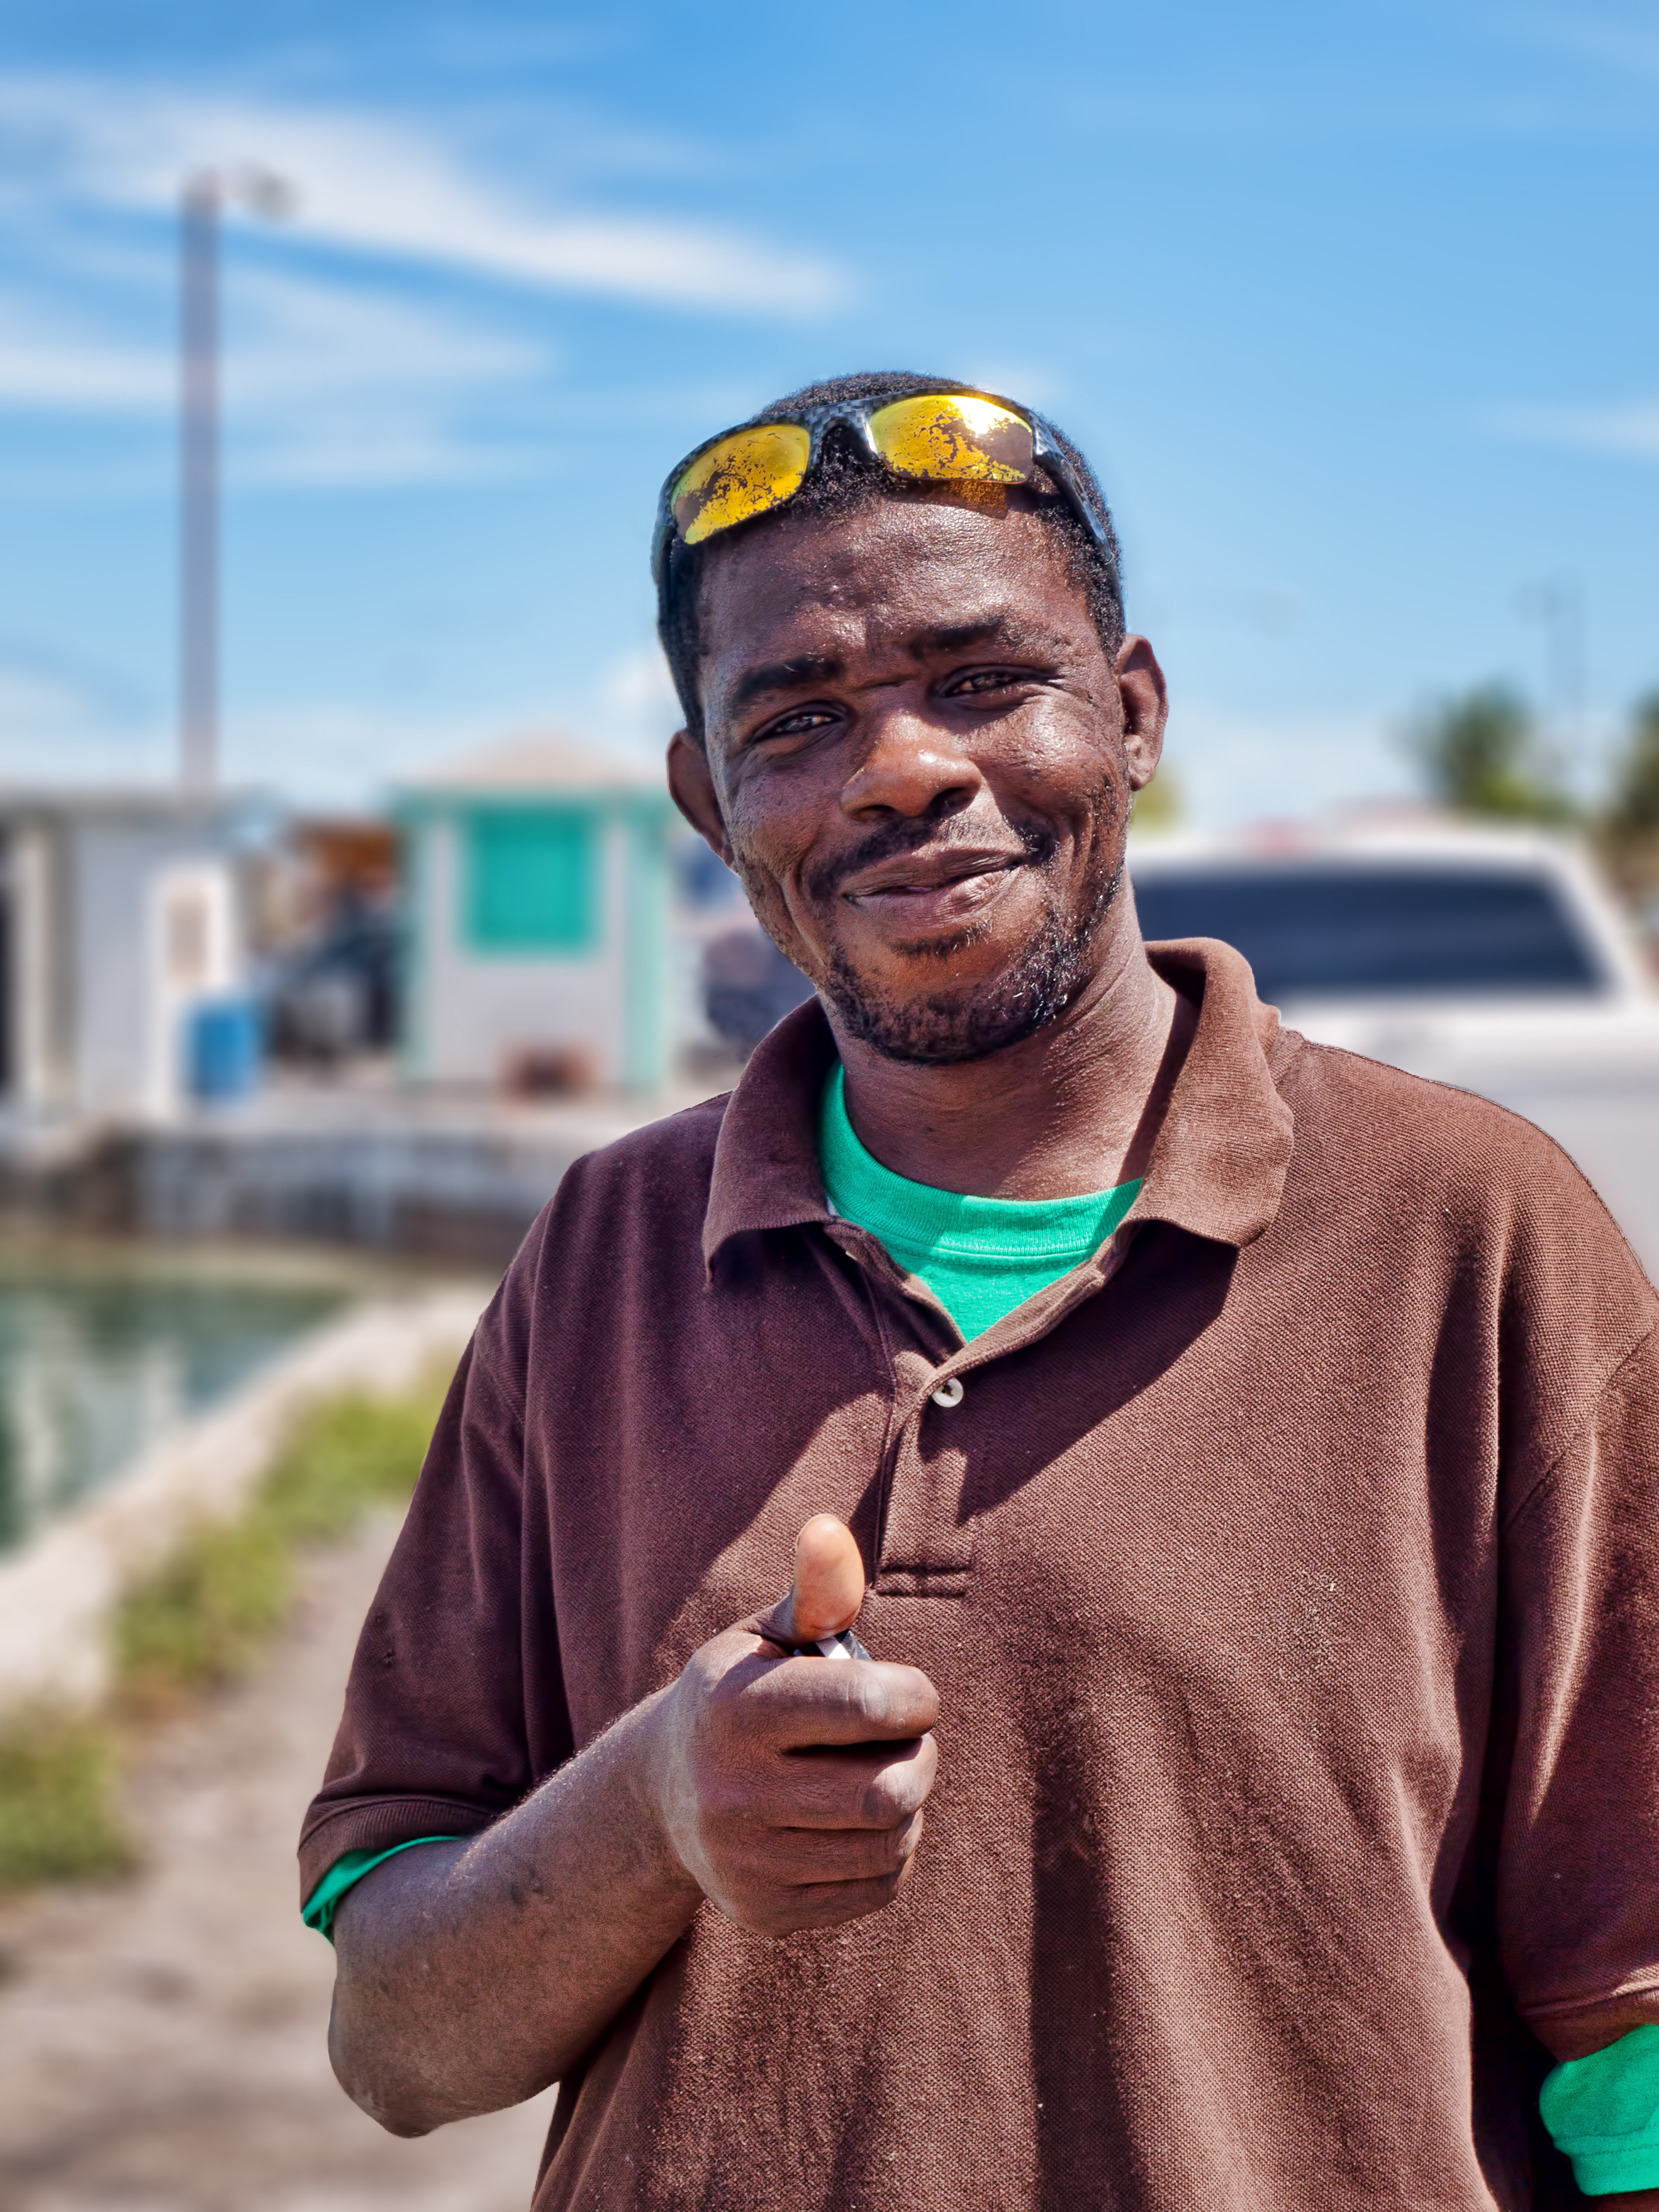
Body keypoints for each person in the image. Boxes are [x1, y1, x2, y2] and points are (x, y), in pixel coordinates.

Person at [301, 373, 1659, 2210]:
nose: (902, 767)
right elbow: (396, 2046)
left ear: (1136, 710)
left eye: (983, 680)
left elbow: (1636, 2045)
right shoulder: (605, 1257)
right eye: (800, 716)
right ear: (710, 801)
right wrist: (658, 1808)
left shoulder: (1472, 1233)